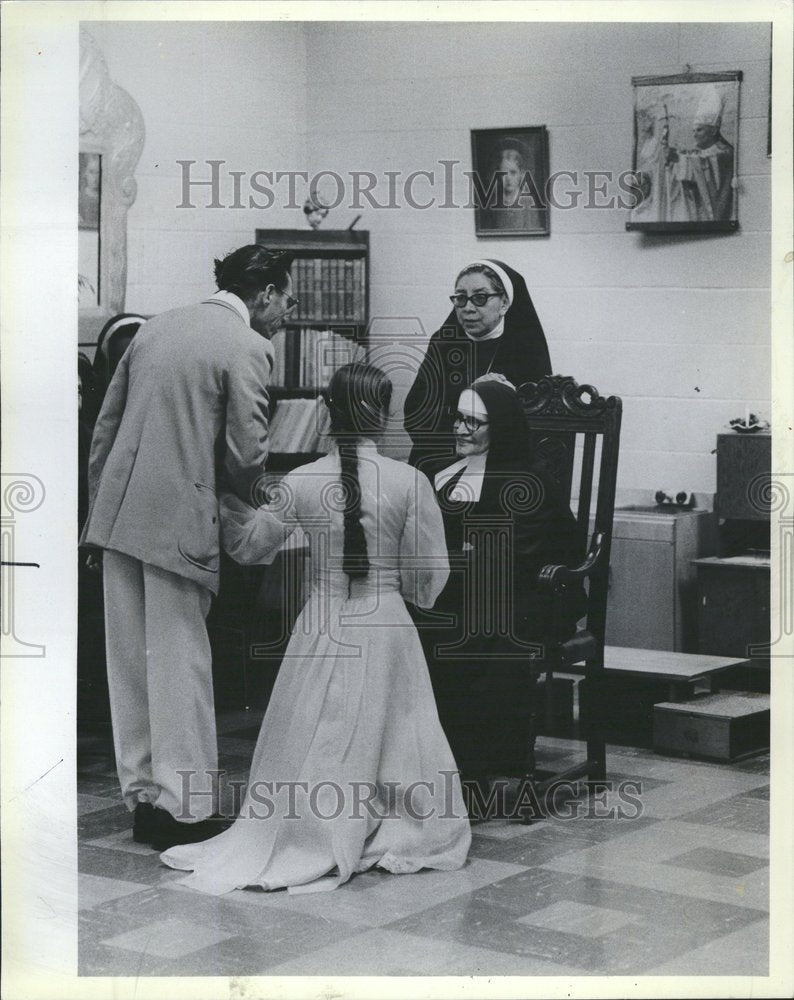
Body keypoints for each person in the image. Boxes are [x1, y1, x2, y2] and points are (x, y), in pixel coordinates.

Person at [159, 363, 471, 894]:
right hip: (387, 624)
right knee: (400, 730)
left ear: (328, 412)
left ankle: (310, 826)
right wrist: (404, 589)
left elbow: (253, 547)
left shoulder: (300, 481)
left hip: (321, 624)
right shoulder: (410, 481)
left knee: (313, 730)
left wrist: (221, 493)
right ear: (383, 416)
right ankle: (391, 821)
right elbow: (429, 577)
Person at [80, 245, 297, 850]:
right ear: (265, 293)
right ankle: (188, 808)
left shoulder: (155, 327)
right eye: (287, 296)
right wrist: (267, 503)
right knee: (180, 665)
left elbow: (106, 427)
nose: (287, 309)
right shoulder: (249, 345)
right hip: (179, 524)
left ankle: (144, 800)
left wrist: (97, 520)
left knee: (129, 667)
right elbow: (244, 456)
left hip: (118, 517)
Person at [419, 375, 586, 814]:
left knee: (475, 638)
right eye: (458, 418)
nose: (460, 429)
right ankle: (428, 765)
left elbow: (520, 557)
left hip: (523, 599)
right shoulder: (441, 473)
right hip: (456, 592)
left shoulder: (529, 482)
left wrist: (459, 555)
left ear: (502, 428)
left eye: (473, 422)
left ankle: (472, 771)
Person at [404, 259, 551, 478]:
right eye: (461, 298)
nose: (468, 308)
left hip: (502, 467)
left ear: (504, 303)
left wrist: (500, 396)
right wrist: (471, 395)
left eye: (480, 298)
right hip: (441, 460)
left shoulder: (526, 348)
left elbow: (537, 425)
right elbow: (415, 414)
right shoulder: (444, 342)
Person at [665, 87, 735, 223]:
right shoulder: (699, 151)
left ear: (714, 130)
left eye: (699, 130)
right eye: (693, 130)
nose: (695, 134)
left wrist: (678, 158)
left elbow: (706, 164)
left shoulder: (724, 151)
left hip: (716, 209)